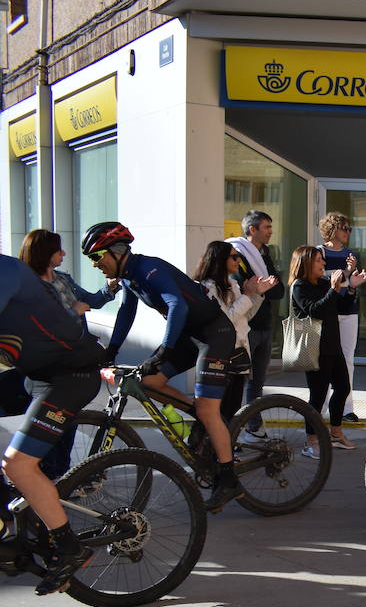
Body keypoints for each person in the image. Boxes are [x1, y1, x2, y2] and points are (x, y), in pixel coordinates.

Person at [84, 221, 244, 511]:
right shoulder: (130, 278)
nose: (96, 265)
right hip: (189, 336)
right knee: (148, 382)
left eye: (97, 257)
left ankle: (229, 479)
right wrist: (111, 351)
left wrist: (163, 351)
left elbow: (177, 306)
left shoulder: (148, 269)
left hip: (213, 334)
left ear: (118, 251)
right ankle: (201, 418)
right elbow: (125, 314)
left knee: (209, 410)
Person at [0, 254, 107, 594]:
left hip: (70, 374)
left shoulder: (7, 270)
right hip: (35, 373)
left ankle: (69, 548)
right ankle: (16, 515)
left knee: (17, 465)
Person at [290, 245, 355, 456]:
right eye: (319, 260)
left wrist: (351, 284)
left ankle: (336, 432)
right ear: (307, 263)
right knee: (317, 396)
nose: (323, 264)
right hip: (314, 346)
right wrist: (334, 290)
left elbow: (340, 303)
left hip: (332, 345)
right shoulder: (299, 286)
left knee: (343, 387)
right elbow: (314, 310)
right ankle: (311, 440)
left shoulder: (324, 283)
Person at [194, 240, 266, 424]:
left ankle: (222, 444)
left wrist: (257, 294)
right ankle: (215, 446)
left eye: (238, 256)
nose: (237, 260)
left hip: (239, 352)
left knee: (232, 406)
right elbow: (225, 319)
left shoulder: (231, 283)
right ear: (220, 260)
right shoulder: (207, 287)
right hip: (221, 354)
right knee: (219, 409)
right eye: (234, 256)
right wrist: (248, 295)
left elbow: (244, 316)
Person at [227, 210, 284, 434]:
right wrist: (259, 289)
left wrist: (260, 289)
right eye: (266, 228)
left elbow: (277, 289)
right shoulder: (237, 254)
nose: (271, 232)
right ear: (253, 229)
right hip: (245, 326)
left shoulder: (265, 255)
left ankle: (254, 426)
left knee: (257, 382)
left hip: (265, 325)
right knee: (236, 382)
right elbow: (242, 287)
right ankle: (230, 430)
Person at [317, 213, 366, 422]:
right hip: (327, 312)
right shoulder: (318, 253)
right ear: (333, 229)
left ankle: (346, 408)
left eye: (349, 229)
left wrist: (350, 276)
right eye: (344, 228)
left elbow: (349, 285)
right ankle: (320, 407)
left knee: (347, 359)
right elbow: (319, 282)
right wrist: (345, 277)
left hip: (348, 311)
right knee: (323, 361)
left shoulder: (351, 255)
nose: (348, 232)